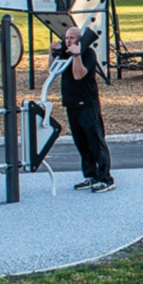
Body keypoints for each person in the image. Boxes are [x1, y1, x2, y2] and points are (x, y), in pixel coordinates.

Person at [52, 27, 114, 193]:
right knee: (81, 142)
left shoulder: (88, 53)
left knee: (95, 141)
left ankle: (105, 178)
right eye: (66, 38)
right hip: (71, 103)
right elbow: (52, 70)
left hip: (86, 103)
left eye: (72, 38)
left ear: (79, 40)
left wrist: (77, 54)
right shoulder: (66, 53)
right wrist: (53, 52)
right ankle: (90, 175)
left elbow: (79, 74)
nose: (68, 41)